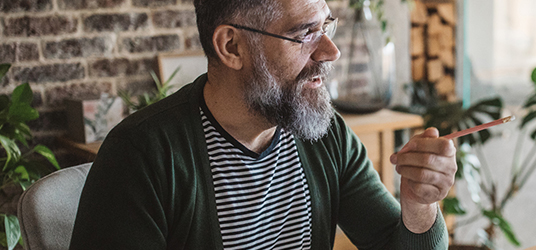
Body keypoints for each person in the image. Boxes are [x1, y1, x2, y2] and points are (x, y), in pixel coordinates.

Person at [69, 0, 454, 249]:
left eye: (326, 26)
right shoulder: (142, 154)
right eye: (305, 33)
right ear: (232, 47)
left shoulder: (323, 133)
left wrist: (420, 205)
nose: (330, 51)